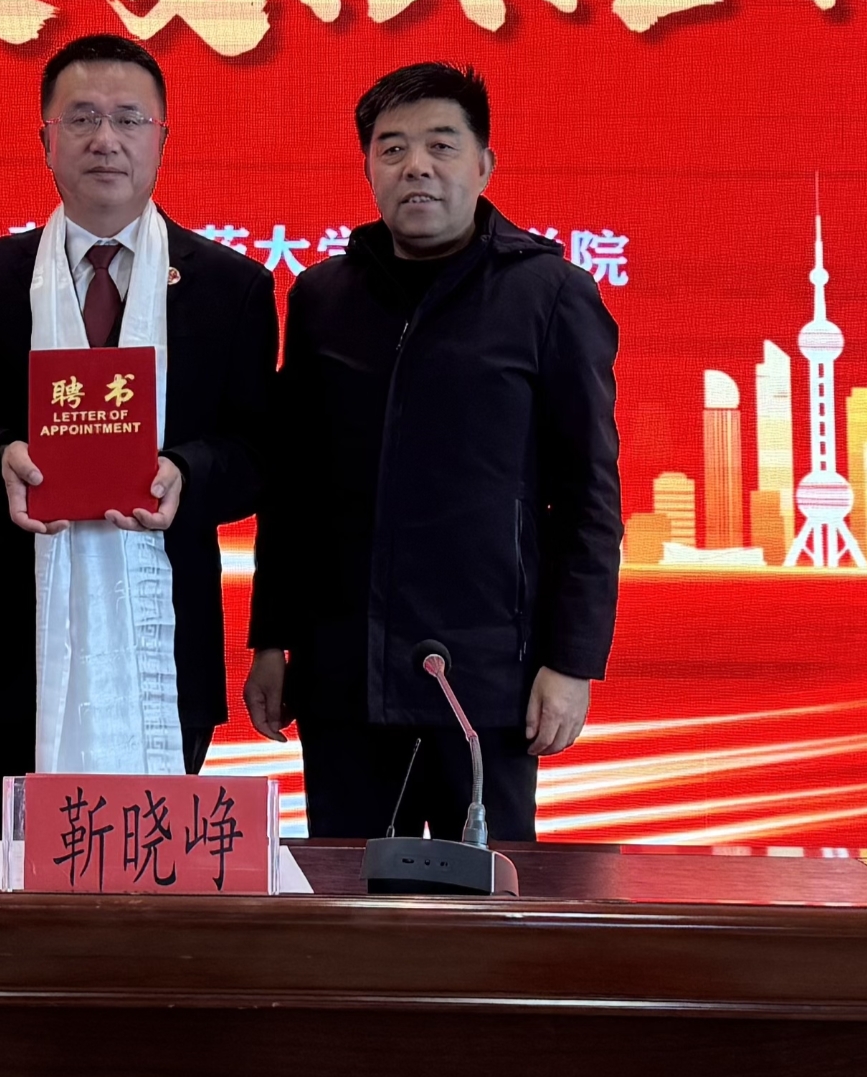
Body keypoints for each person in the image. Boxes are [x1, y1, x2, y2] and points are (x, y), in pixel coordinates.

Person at [0, 33, 278, 798]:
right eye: (83, 118)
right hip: (1, 648)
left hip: (162, 638)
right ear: (46, 139)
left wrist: (187, 472)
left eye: (129, 119)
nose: (106, 139)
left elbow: (260, 451)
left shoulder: (230, 287)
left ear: (162, 138)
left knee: (148, 860)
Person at [244, 61, 621, 843]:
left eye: (441, 145)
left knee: (486, 903)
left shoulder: (550, 293)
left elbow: (589, 497)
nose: (416, 165)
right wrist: (271, 641)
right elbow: (293, 489)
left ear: (484, 164)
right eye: (393, 148)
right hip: (345, 675)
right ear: (369, 167)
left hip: (486, 681)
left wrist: (572, 662)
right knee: (348, 896)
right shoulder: (323, 298)